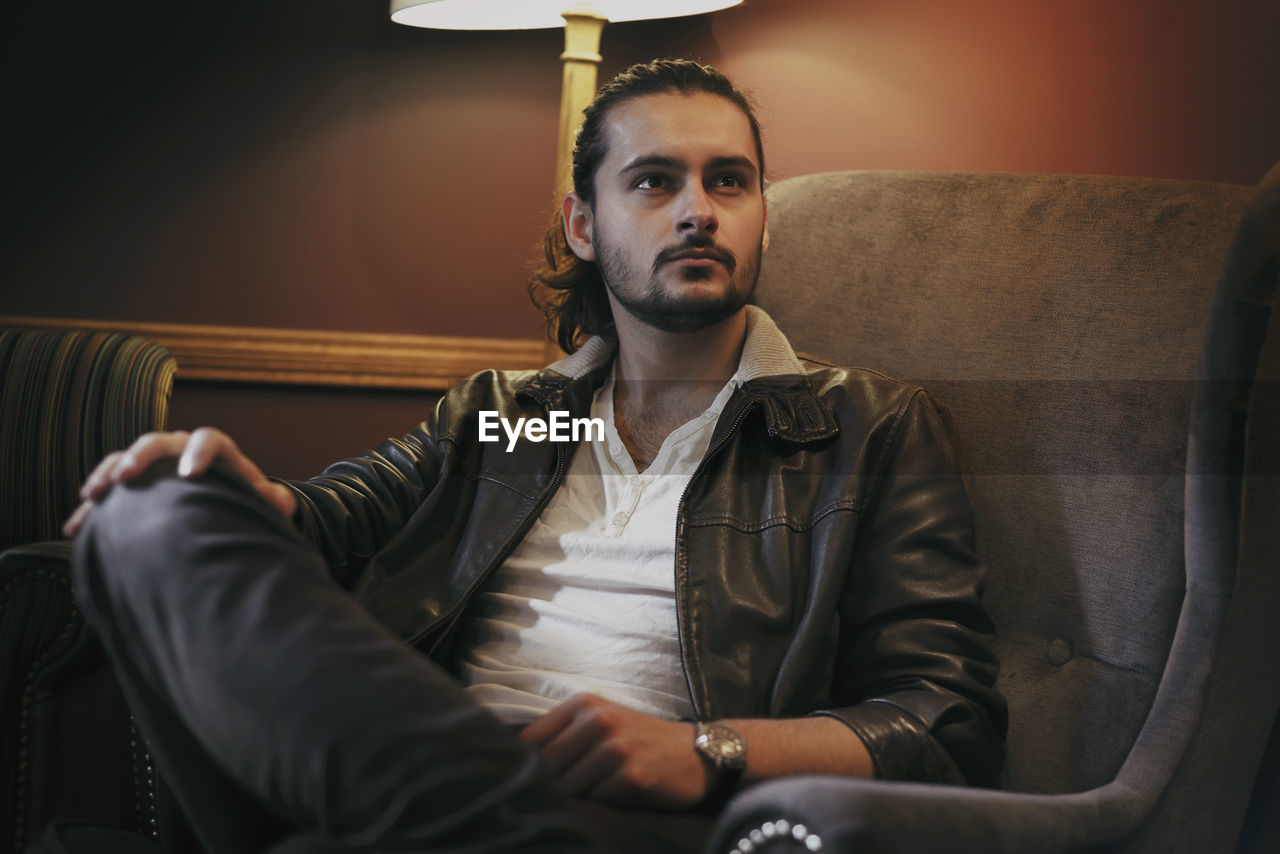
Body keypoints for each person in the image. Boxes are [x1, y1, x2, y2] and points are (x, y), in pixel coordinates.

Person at [65, 59, 1006, 854]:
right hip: (436, 751)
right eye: (653, 181)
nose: (698, 212)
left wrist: (707, 750)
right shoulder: (515, 416)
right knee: (141, 514)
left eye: (729, 181)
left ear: (761, 212)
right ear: (583, 227)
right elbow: (336, 515)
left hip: (620, 817)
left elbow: (942, 721)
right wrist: (243, 499)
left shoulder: (860, 427)